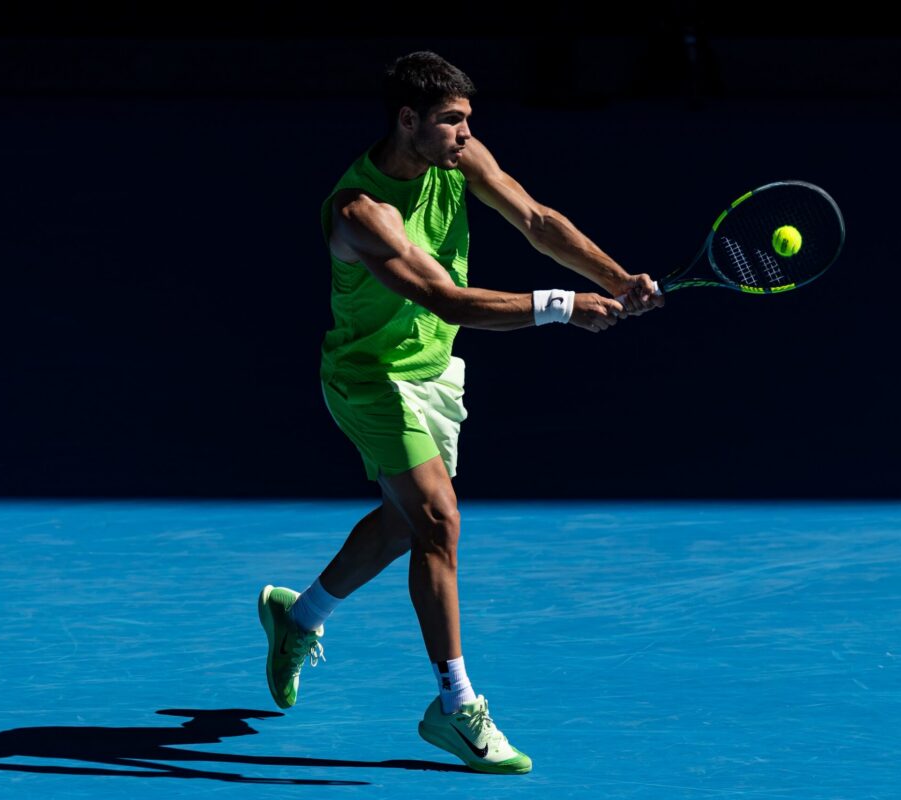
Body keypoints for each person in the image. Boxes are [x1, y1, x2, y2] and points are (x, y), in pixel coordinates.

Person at [258, 50, 663, 776]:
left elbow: (536, 218)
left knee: (402, 522)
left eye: (468, 120)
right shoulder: (360, 213)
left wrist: (615, 278)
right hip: (370, 378)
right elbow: (446, 299)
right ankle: (454, 706)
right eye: (450, 121)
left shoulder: (459, 158)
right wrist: (562, 308)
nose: (464, 134)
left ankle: (301, 617)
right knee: (439, 520)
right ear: (407, 119)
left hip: (434, 373)